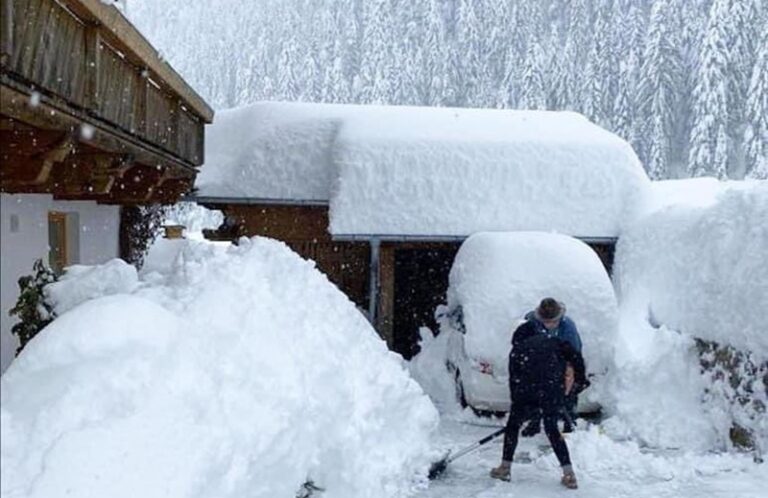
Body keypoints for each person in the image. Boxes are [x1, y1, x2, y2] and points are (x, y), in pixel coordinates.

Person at [489, 315, 587, 489]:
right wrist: (579, 380)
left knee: (512, 428)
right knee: (552, 430)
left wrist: (519, 408)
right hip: (551, 391)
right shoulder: (556, 343)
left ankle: (505, 468)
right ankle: (569, 473)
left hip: (525, 392)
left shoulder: (517, 349)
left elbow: (514, 379)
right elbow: (577, 358)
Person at [521, 298, 584, 435]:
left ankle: (569, 422)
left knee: (567, 392)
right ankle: (534, 422)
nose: (549, 325)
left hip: (563, 361)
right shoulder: (531, 322)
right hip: (539, 362)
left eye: (553, 321)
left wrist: (568, 371)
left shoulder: (568, 327)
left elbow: (574, 352)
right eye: (546, 322)